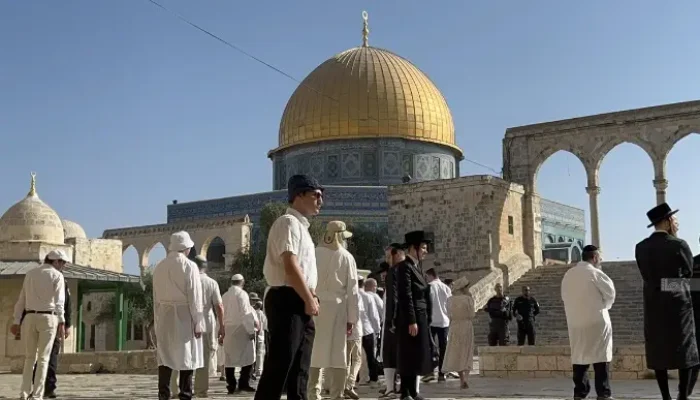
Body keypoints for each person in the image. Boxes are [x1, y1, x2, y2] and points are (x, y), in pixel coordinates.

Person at [254, 174, 323, 400]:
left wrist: (310, 296)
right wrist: (309, 299)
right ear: (299, 195)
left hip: (301, 299)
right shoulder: (287, 223)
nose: (320, 201)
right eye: (316, 195)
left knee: (300, 369)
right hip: (287, 298)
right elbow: (290, 266)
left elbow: (302, 269)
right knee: (280, 366)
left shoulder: (302, 228)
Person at [636, 202, 699, 400]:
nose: (676, 222)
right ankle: (682, 395)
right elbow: (688, 275)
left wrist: (660, 285)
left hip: (653, 305)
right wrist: (669, 284)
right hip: (677, 306)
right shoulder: (678, 245)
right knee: (685, 351)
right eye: (674, 218)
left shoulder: (641, 247)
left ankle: (666, 397)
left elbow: (647, 276)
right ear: (667, 221)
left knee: (658, 351)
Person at [307, 221, 359, 400]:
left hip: (315, 305)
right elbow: (353, 290)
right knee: (339, 352)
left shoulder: (313, 253)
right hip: (337, 309)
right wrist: (352, 318)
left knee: (315, 351)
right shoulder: (347, 257)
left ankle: (313, 393)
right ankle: (337, 394)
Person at [153, 231, 205, 400]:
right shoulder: (190, 266)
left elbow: (155, 298)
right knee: (186, 357)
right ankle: (185, 394)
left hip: (164, 316)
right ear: (186, 248)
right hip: (184, 316)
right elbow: (195, 297)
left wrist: (157, 321)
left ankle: (163, 395)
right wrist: (198, 322)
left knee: (165, 358)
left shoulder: (159, 266)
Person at [11, 249, 69, 400]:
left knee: (29, 358)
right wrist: (62, 322)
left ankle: (24, 394)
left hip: (29, 317)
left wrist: (16, 320)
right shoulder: (57, 276)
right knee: (43, 358)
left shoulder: (30, 274)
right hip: (48, 318)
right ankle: (37, 395)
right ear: (55, 261)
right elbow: (59, 302)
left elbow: (21, 300)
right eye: (62, 262)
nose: (63, 266)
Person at [561, 245, 616, 400]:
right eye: (600, 258)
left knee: (579, 358)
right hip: (597, 322)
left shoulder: (568, 275)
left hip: (575, 323)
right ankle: (603, 393)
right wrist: (602, 307)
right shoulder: (596, 273)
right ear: (595, 257)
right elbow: (610, 295)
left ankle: (580, 392)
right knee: (601, 358)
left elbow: (565, 297)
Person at [395, 231, 437, 400]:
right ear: (414, 248)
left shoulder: (416, 267)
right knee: (408, 354)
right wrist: (412, 320)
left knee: (416, 354)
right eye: (424, 248)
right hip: (410, 318)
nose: (426, 251)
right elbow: (406, 295)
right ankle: (405, 392)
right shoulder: (404, 267)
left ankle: (413, 390)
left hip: (421, 316)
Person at [24, 270, 72, 399]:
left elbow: (66, 304)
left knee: (49, 356)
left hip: (53, 321)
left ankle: (48, 387)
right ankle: (37, 388)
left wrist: (66, 324)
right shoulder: (35, 280)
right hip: (42, 320)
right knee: (35, 356)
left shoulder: (61, 281)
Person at [222, 274, 258, 393]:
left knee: (229, 359)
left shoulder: (225, 296)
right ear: (242, 282)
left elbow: (221, 314)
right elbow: (245, 314)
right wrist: (251, 331)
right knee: (248, 357)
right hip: (241, 329)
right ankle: (243, 383)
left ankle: (231, 385)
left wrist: (221, 330)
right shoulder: (242, 294)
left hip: (228, 329)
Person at [379, 243, 405, 399]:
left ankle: (391, 388)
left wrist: (392, 320)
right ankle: (397, 387)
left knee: (390, 354)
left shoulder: (396, 272)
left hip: (393, 320)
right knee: (395, 354)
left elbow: (394, 299)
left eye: (389, 256)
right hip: (399, 319)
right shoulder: (406, 271)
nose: (387, 260)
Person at [442, 277, 475, 390]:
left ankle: (462, 379)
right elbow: (472, 314)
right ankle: (465, 378)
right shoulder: (468, 299)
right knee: (467, 352)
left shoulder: (450, 300)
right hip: (466, 326)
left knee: (457, 352)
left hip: (455, 326)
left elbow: (448, 314)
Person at [424, 267, 451, 383]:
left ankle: (430, 372)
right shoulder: (446, 288)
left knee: (430, 347)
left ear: (430, 276)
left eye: (426, 277)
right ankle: (442, 373)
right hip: (444, 321)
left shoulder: (429, 287)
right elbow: (449, 304)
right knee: (443, 347)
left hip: (432, 321)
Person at [358, 277, 381, 386]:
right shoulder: (369, 297)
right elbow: (374, 316)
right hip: (367, 330)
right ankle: (373, 379)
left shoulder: (350, 296)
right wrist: (377, 329)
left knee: (356, 357)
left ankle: (359, 379)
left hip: (354, 331)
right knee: (371, 356)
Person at [345, 291, 364, 400]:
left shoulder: (342, 294)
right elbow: (358, 311)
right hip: (355, 330)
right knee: (357, 359)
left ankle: (345, 385)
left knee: (347, 360)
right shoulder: (356, 295)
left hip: (344, 331)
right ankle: (350, 384)